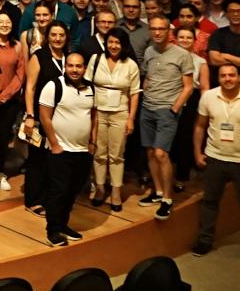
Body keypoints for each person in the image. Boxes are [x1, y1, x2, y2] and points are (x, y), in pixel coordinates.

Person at [193, 64, 240, 255]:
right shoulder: (208, 97)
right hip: (214, 157)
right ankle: (205, 240)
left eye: (232, 75)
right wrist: (197, 152)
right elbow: (200, 127)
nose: (228, 79)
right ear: (218, 78)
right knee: (209, 202)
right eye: (223, 76)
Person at [137, 16, 196, 219]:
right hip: (148, 107)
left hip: (167, 110)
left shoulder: (181, 54)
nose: (157, 32)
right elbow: (148, 76)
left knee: (162, 153)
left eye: (161, 28)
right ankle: (158, 191)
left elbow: (189, 86)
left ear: (169, 31)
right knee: (151, 152)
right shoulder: (149, 51)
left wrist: (174, 108)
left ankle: (168, 199)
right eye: (153, 29)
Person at [38, 53, 96, 246]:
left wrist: (92, 143)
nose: (74, 69)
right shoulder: (54, 86)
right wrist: (54, 144)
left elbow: (93, 116)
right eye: (70, 65)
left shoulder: (91, 88)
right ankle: (53, 230)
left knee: (73, 191)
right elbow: (45, 117)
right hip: (60, 150)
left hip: (82, 151)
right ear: (65, 67)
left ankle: (63, 224)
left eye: (78, 66)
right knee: (59, 191)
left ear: (84, 68)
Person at [86, 32, 140, 210]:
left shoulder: (130, 64)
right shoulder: (96, 59)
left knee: (116, 155)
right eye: (111, 42)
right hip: (98, 112)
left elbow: (134, 93)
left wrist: (131, 118)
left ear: (123, 44)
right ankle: (100, 189)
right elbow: (87, 85)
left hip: (120, 113)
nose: (114, 46)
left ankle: (116, 192)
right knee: (99, 153)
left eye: (118, 42)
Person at [20, 21, 70, 213]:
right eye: (53, 35)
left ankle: (52, 197)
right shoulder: (39, 56)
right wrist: (30, 115)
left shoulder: (69, 57)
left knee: (55, 160)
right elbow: (30, 87)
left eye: (61, 35)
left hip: (62, 117)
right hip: (40, 116)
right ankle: (33, 201)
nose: (57, 39)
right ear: (47, 36)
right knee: (37, 159)